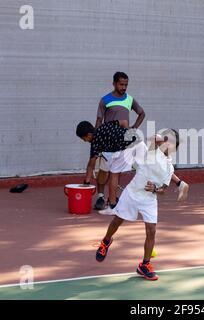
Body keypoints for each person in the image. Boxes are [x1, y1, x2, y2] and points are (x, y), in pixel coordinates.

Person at [95, 129, 179, 281]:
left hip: (149, 200)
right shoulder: (151, 153)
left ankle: (144, 265)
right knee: (117, 221)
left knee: (151, 231)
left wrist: (155, 189)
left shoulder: (169, 168)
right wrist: (162, 137)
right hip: (132, 194)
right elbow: (153, 138)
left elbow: (163, 190)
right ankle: (106, 241)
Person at [93, 71, 146, 210]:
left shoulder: (130, 99)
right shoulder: (105, 100)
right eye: (121, 84)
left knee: (116, 171)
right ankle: (100, 196)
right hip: (107, 140)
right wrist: (96, 140)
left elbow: (142, 113)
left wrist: (133, 128)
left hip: (122, 141)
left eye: (126, 85)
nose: (124, 87)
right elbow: (99, 120)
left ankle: (112, 198)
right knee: (104, 171)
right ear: (114, 83)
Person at [75, 120, 140, 185]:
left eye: (84, 139)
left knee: (114, 174)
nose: (85, 141)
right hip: (138, 142)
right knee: (143, 171)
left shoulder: (95, 143)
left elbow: (91, 165)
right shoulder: (104, 126)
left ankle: (112, 195)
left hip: (129, 148)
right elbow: (124, 122)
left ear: (88, 135)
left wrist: (86, 182)